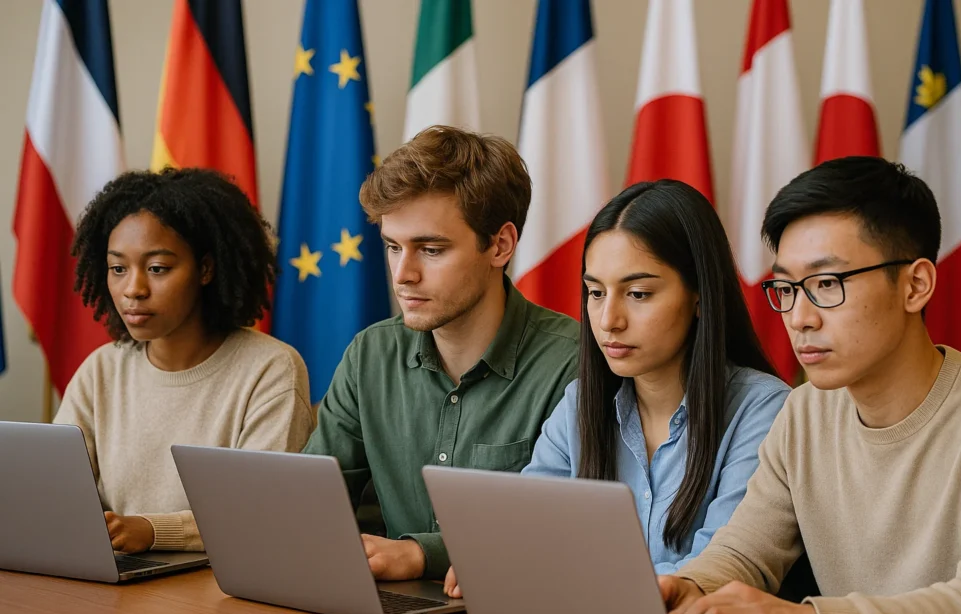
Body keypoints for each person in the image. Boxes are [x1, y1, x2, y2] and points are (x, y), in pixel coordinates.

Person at [659, 157, 961, 614]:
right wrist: (690, 589)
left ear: (915, 285)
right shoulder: (804, 413)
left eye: (827, 284)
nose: (800, 318)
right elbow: (746, 551)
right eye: (786, 288)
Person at [443, 180, 789, 598]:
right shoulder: (579, 404)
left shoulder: (763, 410)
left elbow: (719, 571)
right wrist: (496, 557)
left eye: (638, 293)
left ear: (700, 296)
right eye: (595, 292)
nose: (608, 320)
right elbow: (529, 533)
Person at [302, 126, 579, 581]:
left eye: (431, 250)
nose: (403, 274)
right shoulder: (370, 353)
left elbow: (565, 531)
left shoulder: (572, 365)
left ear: (500, 245)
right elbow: (310, 501)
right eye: (393, 247)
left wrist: (420, 554)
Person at [55, 168, 314, 554]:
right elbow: (53, 492)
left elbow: (259, 511)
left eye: (157, 268)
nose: (133, 289)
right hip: (118, 575)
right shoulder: (101, 370)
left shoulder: (270, 369)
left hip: (224, 585)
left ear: (206, 269)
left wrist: (152, 531)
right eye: (118, 269)